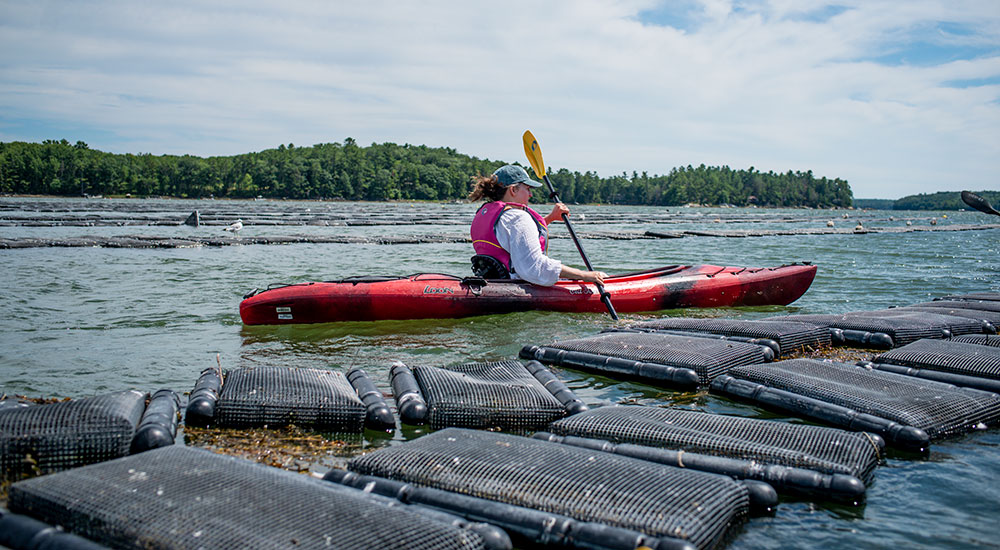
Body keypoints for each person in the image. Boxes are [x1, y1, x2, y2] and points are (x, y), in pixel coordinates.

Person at [469, 165, 607, 286]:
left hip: (492, 281)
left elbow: (511, 238)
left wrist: (550, 219)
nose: (530, 194)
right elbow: (535, 267)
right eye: (527, 188)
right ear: (513, 190)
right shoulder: (518, 217)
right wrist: (584, 275)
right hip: (515, 286)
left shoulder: (484, 213)